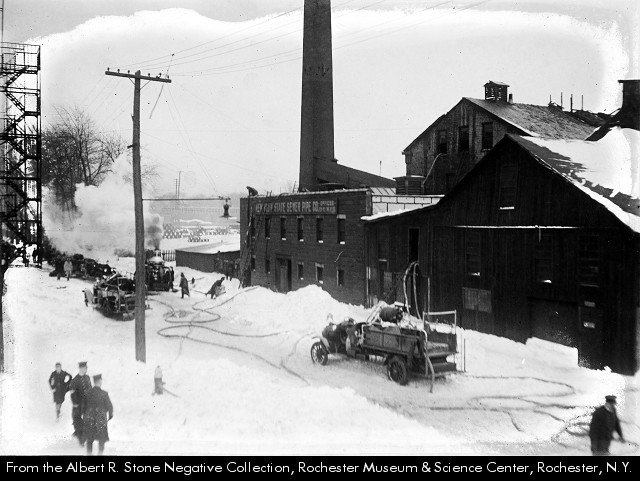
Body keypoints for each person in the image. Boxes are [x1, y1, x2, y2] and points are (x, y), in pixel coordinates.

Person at [83, 374, 113, 455]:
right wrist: (110, 415)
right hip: (101, 419)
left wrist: (85, 416)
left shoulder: (87, 393)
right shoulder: (104, 394)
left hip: (89, 418)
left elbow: (83, 406)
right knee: (101, 438)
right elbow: (109, 406)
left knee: (89, 439)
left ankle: (89, 454)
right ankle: (100, 454)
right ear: (100, 382)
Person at [68, 361, 92, 444]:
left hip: (87, 404)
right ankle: (78, 438)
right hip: (79, 404)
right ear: (81, 368)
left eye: (86, 368)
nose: (86, 369)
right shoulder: (75, 380)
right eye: (85, 368)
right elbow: (72, 394)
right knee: (78, 422)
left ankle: (79, 437)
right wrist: (75, 404)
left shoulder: (87, 377)